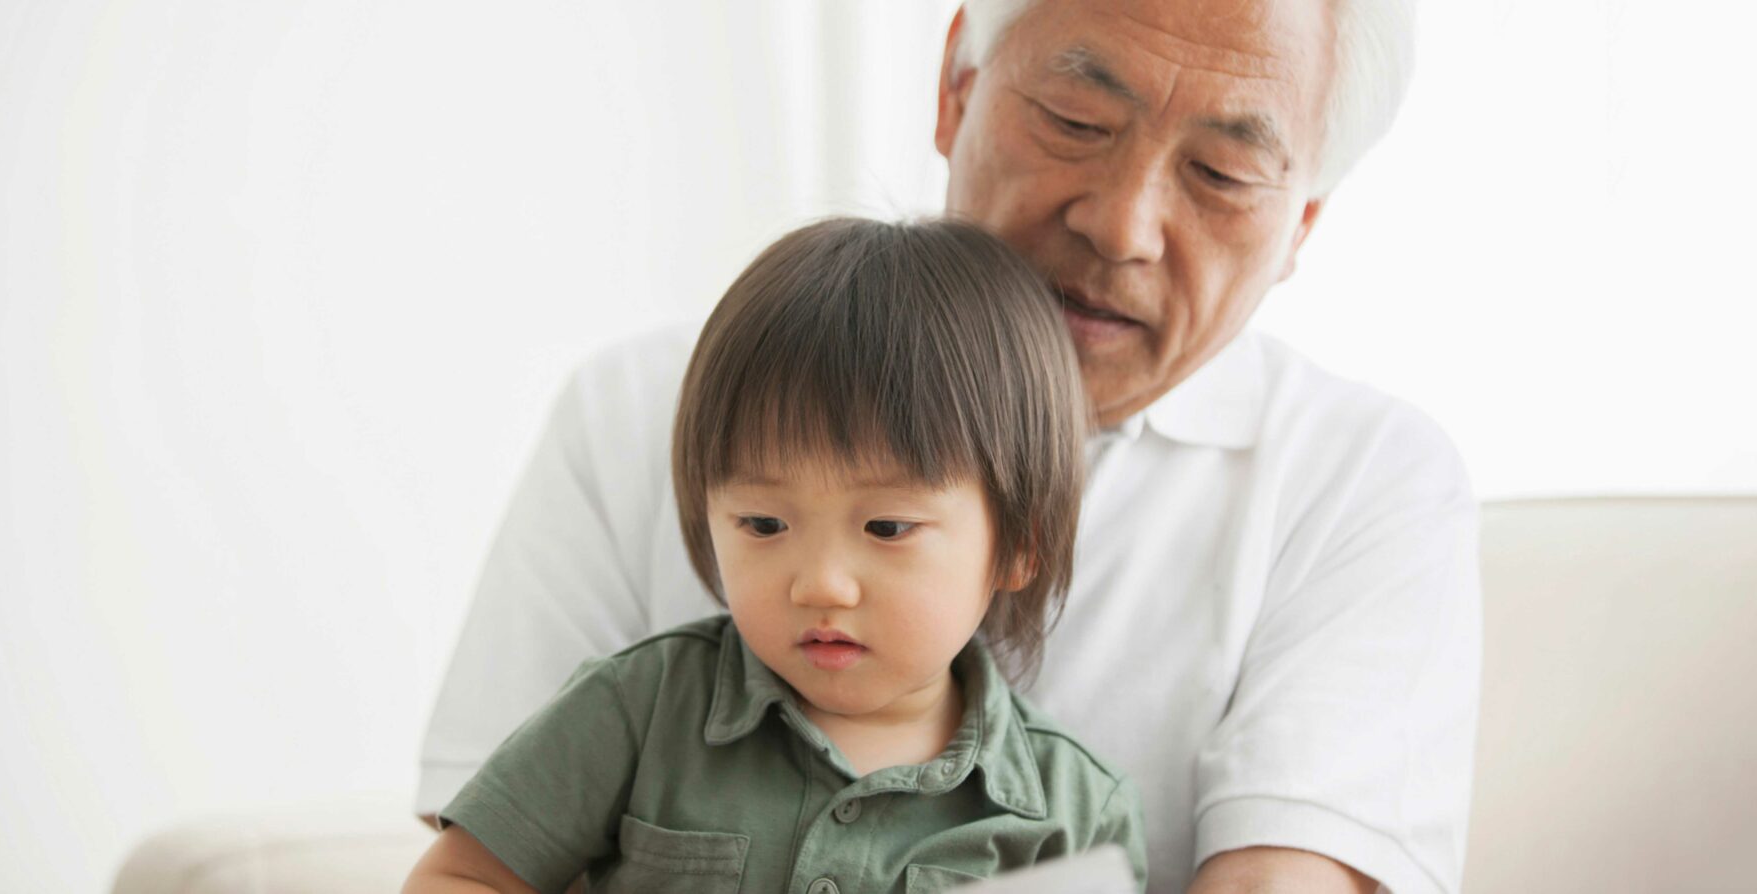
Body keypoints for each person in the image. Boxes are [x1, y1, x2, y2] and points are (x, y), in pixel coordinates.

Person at [417, 1, 1481, 892]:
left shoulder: (1362, 484)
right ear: (954, 87)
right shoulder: (640, 408)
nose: (1122, 226)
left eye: (1219, 174)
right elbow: (495, 848)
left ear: (1299, 224)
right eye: (1074, 118)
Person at [404, 217, 1146, 894]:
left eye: (887, 528)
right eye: (762, 523)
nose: (820, 584)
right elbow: (464, 875)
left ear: (1017, 545)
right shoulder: (636, 708)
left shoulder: (1072, 810)